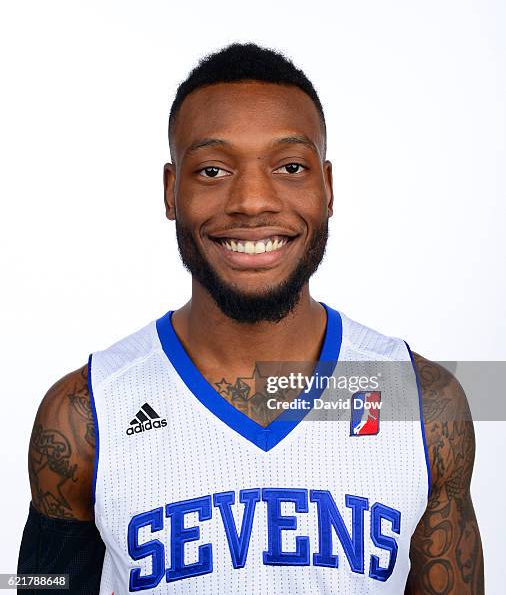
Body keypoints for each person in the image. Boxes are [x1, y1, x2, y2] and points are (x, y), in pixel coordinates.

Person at [18, 42, 484, 594]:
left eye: (290, 167)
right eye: (213, 170)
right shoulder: (85, 413)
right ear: (172, 191)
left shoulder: (420, 400)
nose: (253, 201)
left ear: (327, 188)